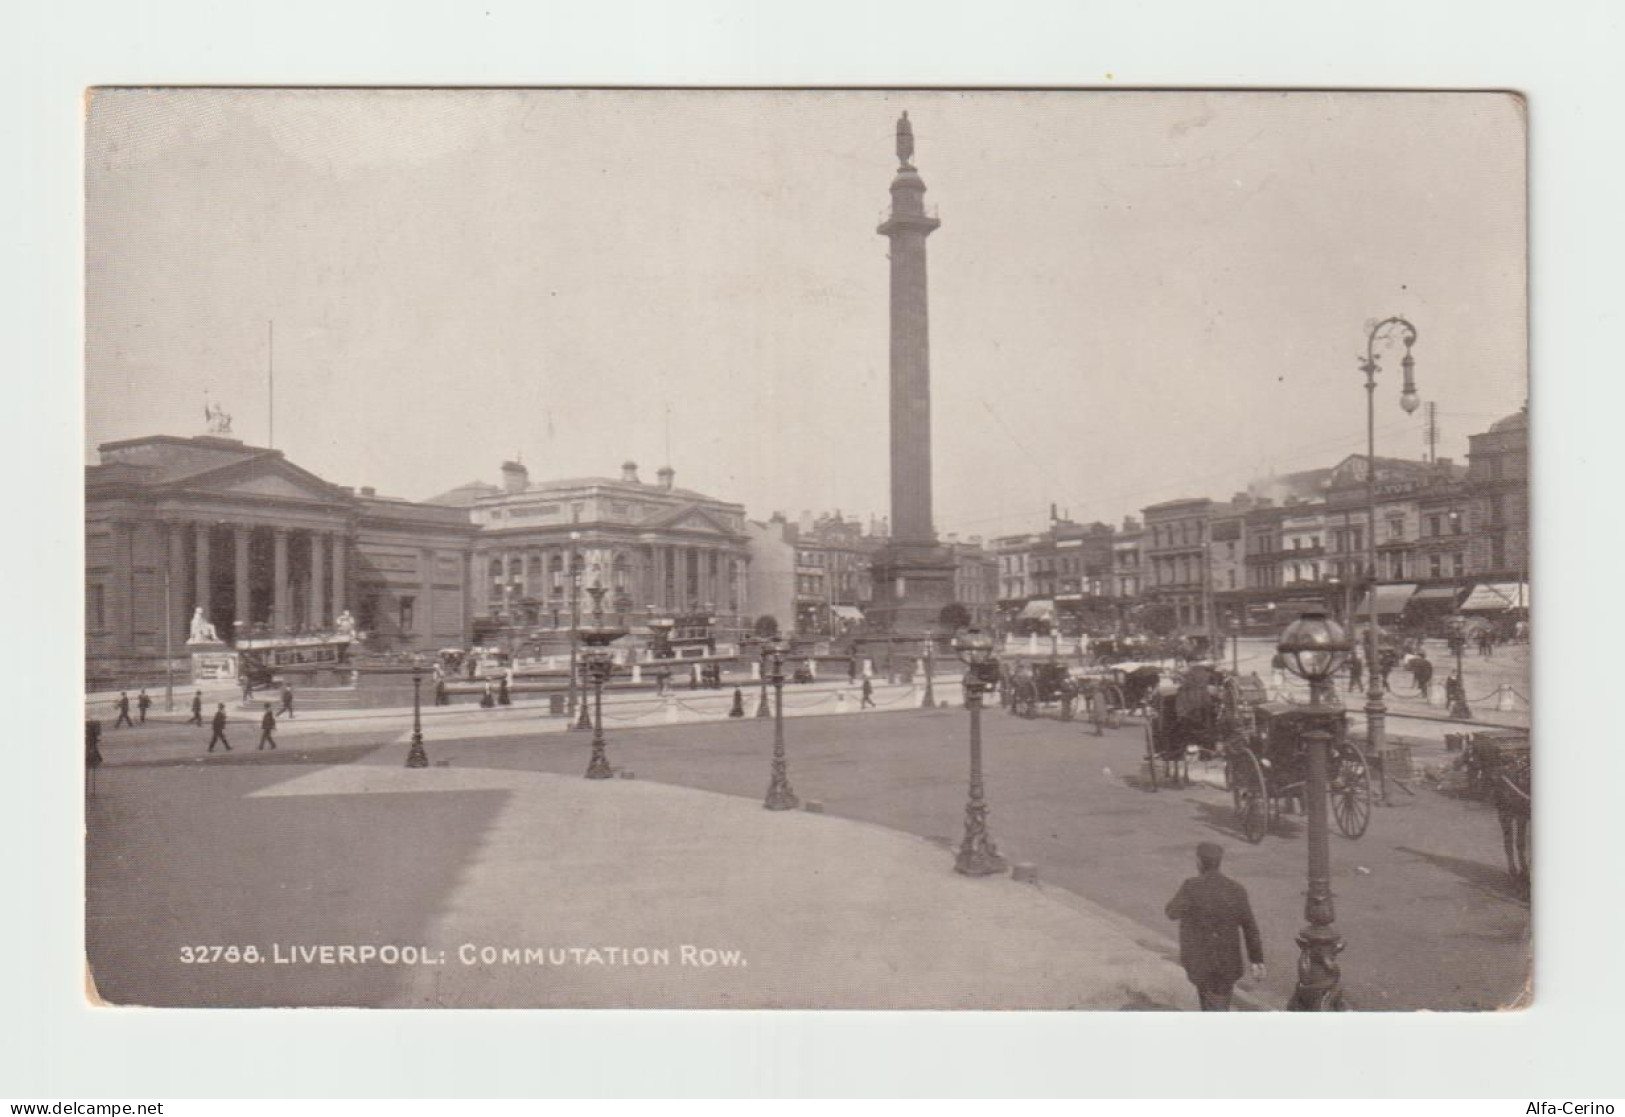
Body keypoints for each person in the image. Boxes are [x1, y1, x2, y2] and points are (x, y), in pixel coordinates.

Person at [1165, 842, 1265, 1011]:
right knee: (1218, 1004)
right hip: (1228, 964)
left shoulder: (1191, 886)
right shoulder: (1236, 889)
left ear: (1199, 862)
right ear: (1219, 862)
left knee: (1212, 1008)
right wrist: (1257, 960)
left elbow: (1171, 912)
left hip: (1201, 963)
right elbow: (1250, 927)